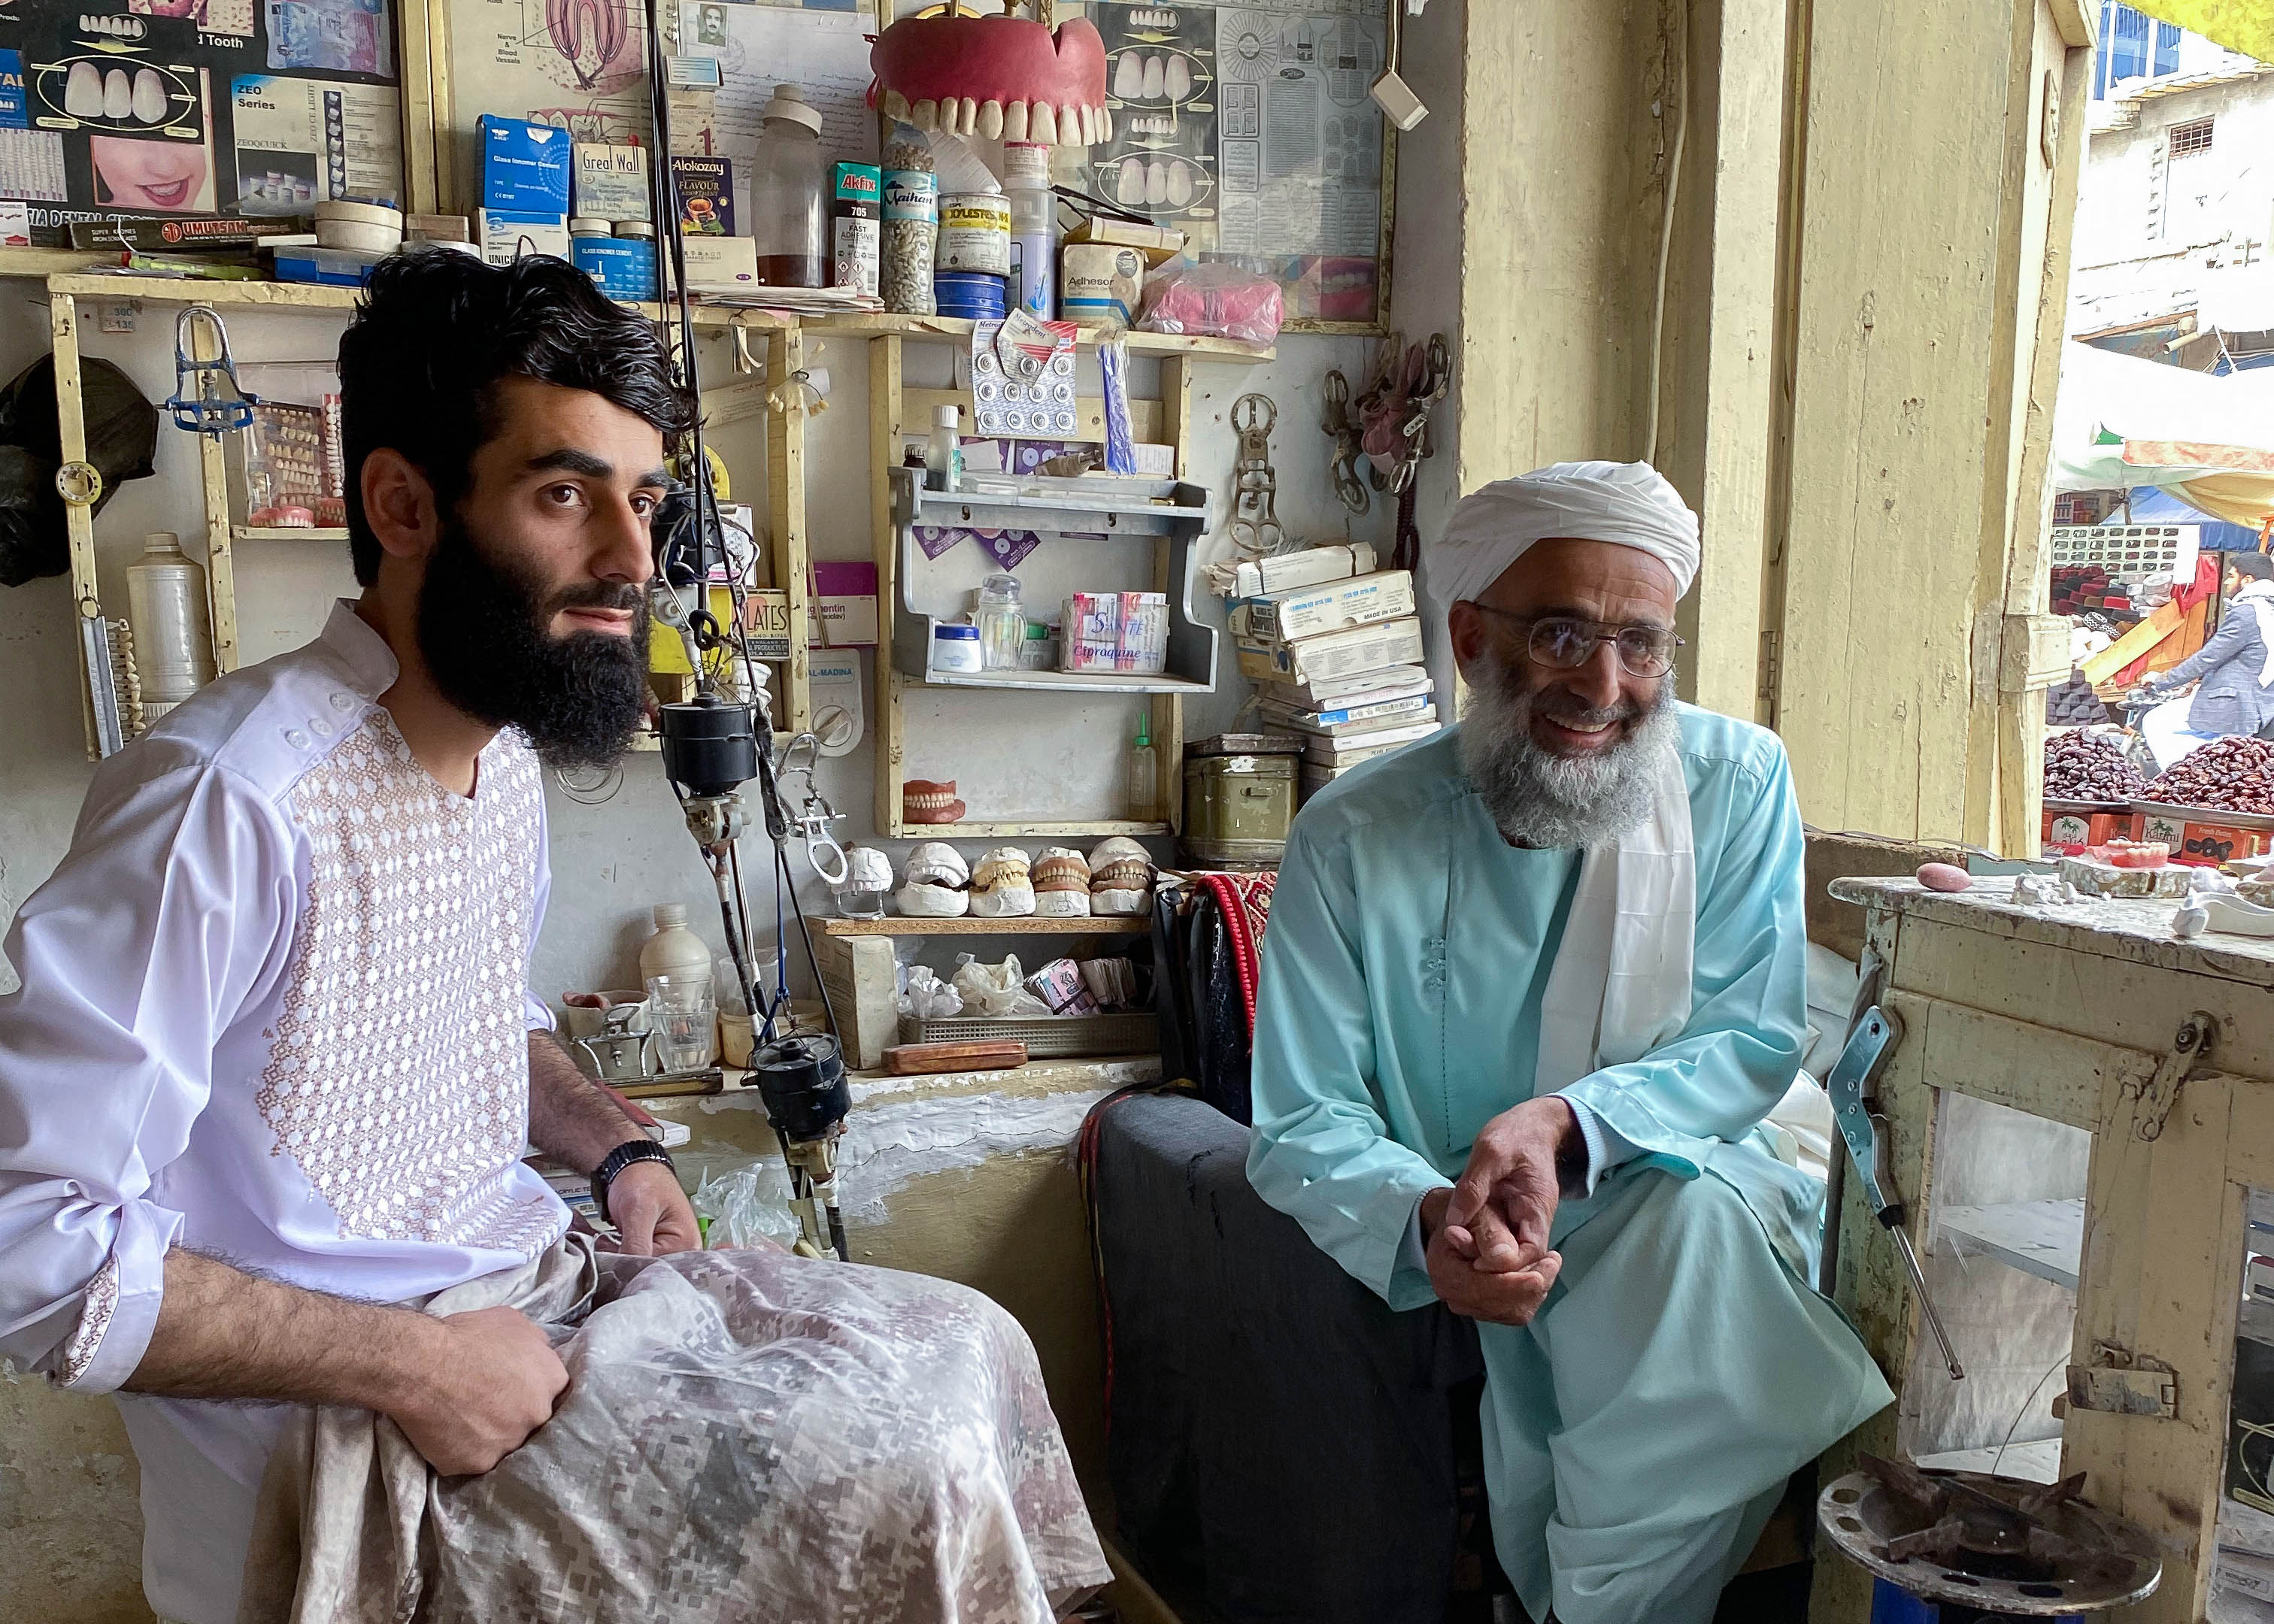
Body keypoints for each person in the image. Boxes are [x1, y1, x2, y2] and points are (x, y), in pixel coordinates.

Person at [0, 250, 1107, 1624]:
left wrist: (617, 1145)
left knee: (968, 1348)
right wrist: (414, 1366)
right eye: (564, 494)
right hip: (355, 1427)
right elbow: (29, 1243)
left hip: (539, 1292)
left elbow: (481, 1018)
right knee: (891, 1473)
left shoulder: (499, 758)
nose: (632, 562)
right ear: (404, 504)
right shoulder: (223, 804)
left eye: (643, 503)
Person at [1246, 461, 1892, 1624]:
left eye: (1641, 644)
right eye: (1560, 635)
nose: (1605, 685)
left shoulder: (1735, 781)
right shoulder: (1350, 836)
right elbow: (1303, 1119)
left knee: (1687, 1240)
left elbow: (1749, 1039)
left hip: (1660, 1171)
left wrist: (1566, 1125)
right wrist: (1429, 1217)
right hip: (1460, 1215)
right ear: (1468, 637)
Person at [2134, 550, 2274, 768]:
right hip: (2263, 702)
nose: (2227, 582)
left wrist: (2162, 680)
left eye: (2231, 576)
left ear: (2248, 580)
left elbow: (2209, 657)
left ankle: (2180, 781)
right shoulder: (2268, 609)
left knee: (2157, 721)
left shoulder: (2248, 612)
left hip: (2239, 704)